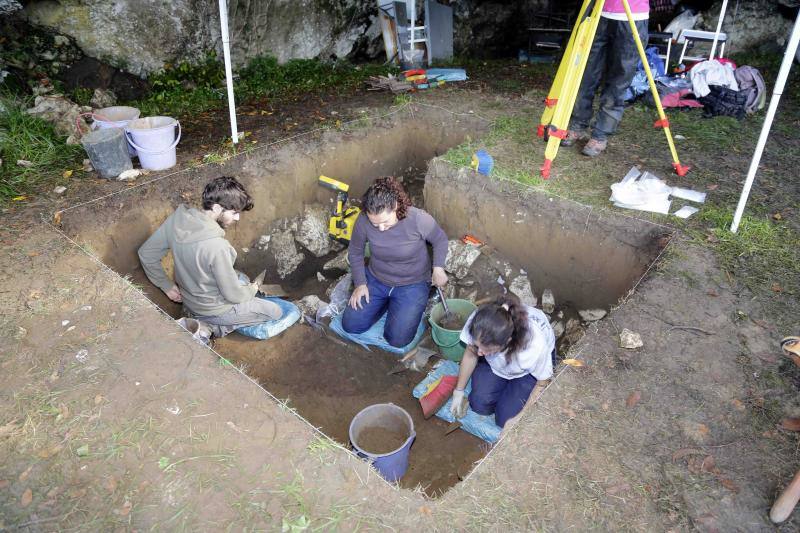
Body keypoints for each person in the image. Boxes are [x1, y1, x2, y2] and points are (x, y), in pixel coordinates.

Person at [138, 176, 282, 337]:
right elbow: (233, 295)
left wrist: (165, 284)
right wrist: (252, 290)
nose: (237, 218)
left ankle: (201, 316)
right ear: (216, 208)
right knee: (275, 311)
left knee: (242, 278)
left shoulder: (178, 220)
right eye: (234, 212)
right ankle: (212, 326)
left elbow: (146, 253)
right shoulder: (217, 246)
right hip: (215, 309)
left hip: (190, 298)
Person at [342, 176, 448, 348]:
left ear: (396, 206)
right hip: (377, 279)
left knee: (397, 340)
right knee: (351, 325)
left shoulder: (418, 219)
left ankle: (399, 306)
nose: (381, 228)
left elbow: (440, 239)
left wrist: (438, 268)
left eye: (385, 222)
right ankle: (384, 304)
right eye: (375, 224)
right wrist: (360, 284)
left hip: (412, 283)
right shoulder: (363, 220)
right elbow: (355, 252)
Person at [450, 294, 554, 433]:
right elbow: (471, 353)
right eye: (477, 346)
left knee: (505, 419)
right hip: (500, 362)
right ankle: (502, 385)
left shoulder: (532, 346)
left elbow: (543, 382)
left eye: (487, 349)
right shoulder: (480, 322)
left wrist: (519, 417)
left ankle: (512, 391)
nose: (479, 352)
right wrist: (459, 391)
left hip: (528, 372)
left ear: (507, 341)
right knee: (479, 404)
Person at [562, 0, 650, 157]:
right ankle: (578, 125)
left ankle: (600, 135)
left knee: (618, 81)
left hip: (633, 17)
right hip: (599, 14)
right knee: (585, 73)